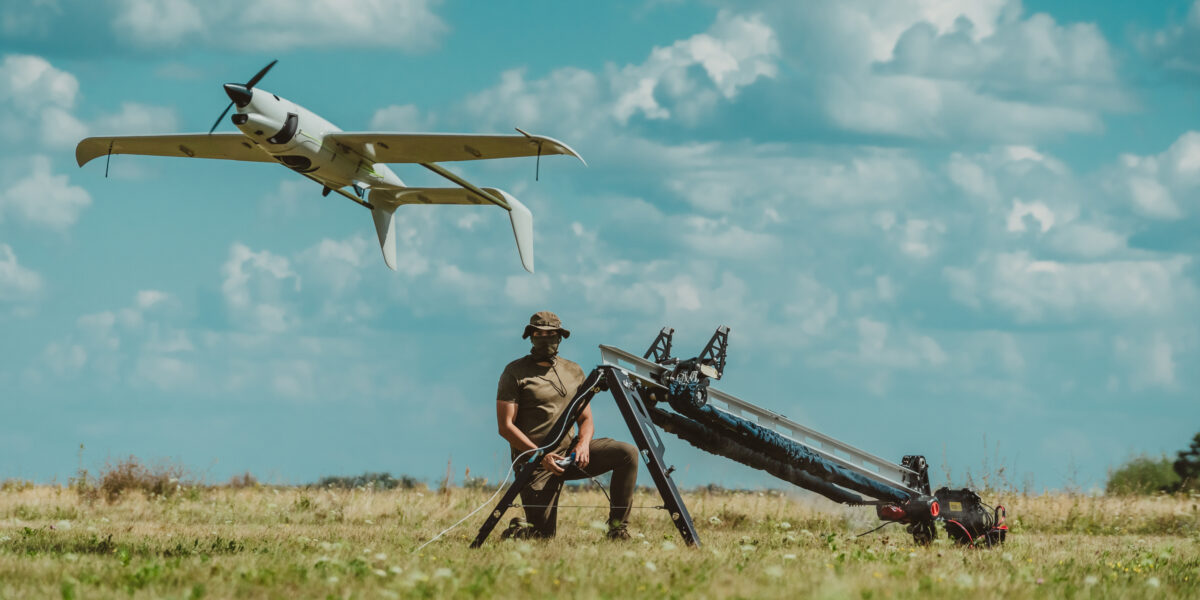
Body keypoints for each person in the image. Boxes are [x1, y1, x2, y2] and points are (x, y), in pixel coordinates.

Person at [495, 311, 639, 540]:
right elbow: (505, 426)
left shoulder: (574, 371)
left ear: (560, 337)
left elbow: (586, 419)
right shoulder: (514, 372)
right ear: (530, 336)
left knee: (627, 453)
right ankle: (518, 529)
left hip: (570, 454)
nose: (546, 339)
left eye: (552, 334)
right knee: (542, 537)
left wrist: (583, 444)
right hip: (535, 462)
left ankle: (617, 529)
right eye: (539, 334)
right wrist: (540, 455)